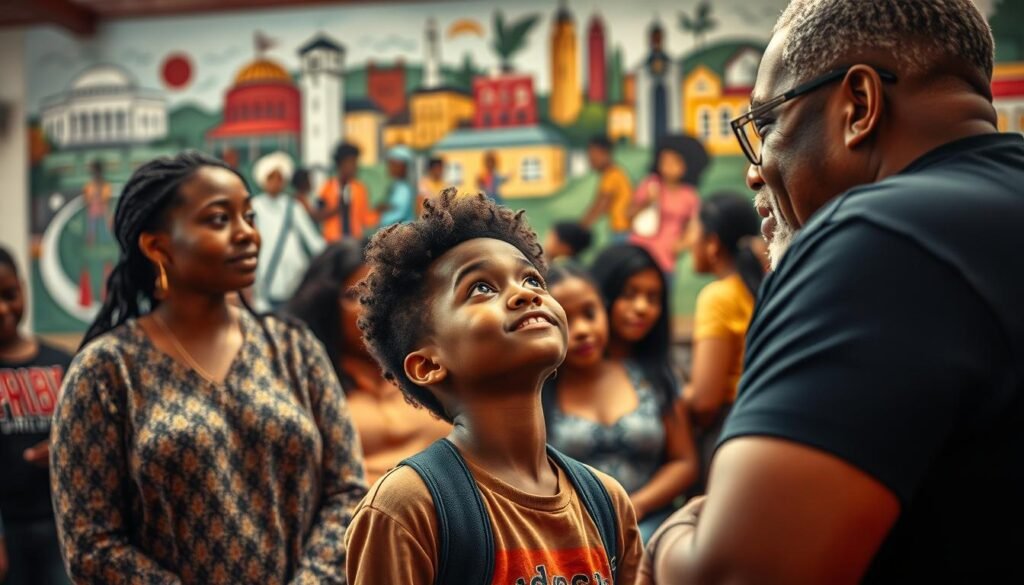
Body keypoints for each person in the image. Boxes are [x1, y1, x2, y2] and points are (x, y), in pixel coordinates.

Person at [641, 1, 1024, 584]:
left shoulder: (874, 238)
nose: (754, 170)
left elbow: (738, 576)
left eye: (767, 125)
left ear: (859, 106)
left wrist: (670, 536)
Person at [50, 151, 367, 584]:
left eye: (249, 216)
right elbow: (91, 544)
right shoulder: (106, 371)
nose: (247, 234)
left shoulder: (294, 349)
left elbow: (347, 491)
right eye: (219, 220)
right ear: (157, 245)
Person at [344, 190, 642, 584]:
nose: (526, 294)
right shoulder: (410, 508)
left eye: (532, 278)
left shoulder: (606, 502)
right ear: (428, 364)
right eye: (481, 288)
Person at [542, 263, 698, 542]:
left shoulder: (653, 377)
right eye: (564, 319)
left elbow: (683, 461)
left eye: (589, 314)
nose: (581, 330)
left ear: (604, 310)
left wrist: (636, 505)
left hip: (653, 530)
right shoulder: (536, 396)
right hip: (573, 539)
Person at [285, 241, 450, 484]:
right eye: (354, 296)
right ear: (324, 306)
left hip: (451, 513)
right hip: (356, 516)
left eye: (380, 293)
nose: (371, 309)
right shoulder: (303, 383)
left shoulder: (434, 367)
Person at [589, 244, 697, 535]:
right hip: (569, 526)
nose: (642, 307)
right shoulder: (557, 373)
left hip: (643, 526)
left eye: (653, 297)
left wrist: (637, 505)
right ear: (601, 295)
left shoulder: (662, 377)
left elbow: (684, 461)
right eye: (629, 294)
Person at [680, 193, 764, 494]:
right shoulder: (763, 287)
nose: (688, 241)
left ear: (712, 242)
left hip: (728, 431)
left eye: (691, 231)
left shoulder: (718, 297)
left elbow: (705, 400)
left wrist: (672, 399)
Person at [0, 246, 71, 585]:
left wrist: (63, 449)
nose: (2, 309)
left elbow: (92, 443)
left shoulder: (64, 363)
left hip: (61, 526)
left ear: (24, 289)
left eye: (9, 294)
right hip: (6, 529)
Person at [250, 151, 325, 312]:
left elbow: (313, 241)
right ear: (263, 180)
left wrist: (330, 256)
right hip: (265, 279)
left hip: (295, 279)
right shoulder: (254, 207)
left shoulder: (293, 206)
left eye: (280, 178)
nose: (276, 183)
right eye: (271, 178)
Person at [629, 134, 708, 278]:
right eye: (664, 161)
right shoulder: (650, 184)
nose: (668, 166)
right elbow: (629, 215)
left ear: (687, 165)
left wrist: (680, 245)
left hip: (665, 261)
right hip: (638, 254)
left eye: (674, 162)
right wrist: (648, 201)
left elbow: (694, 227)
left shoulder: (690, 196)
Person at [318, 142, 378, 242]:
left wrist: (379, 213)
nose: (355, 166)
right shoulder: (328, 187)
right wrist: (337, 208)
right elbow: (320, 214)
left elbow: (366, 219)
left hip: (354, 242)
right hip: (333, 243)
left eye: (356, 162)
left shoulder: (360, 188)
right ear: (341, 163)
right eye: (352, 162)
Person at [581, 135, 633, 240]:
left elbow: (602, 204)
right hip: (621, 230)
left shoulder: (612, 176)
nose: (590, 161)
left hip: (622, 231)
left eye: (593, 156)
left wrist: (580, 227)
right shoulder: (614, 173)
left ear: (605, 154)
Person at [379, 146, 417, 227]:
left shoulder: (404, 189)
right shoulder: (395, 185)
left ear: (403, 167)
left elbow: (397, 214)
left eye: (393, 164)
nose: (390, 167)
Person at [81, 159, 113, 246]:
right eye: (94, 172)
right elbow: (86, 199)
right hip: (93, 209)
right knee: (92, 229)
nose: (96, 174)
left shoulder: (105, 186)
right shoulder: (89, 186)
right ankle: (92, 242)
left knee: (106, 231)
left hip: (103, 209)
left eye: (97, 172)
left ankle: (107, 244)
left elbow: (106, 200)